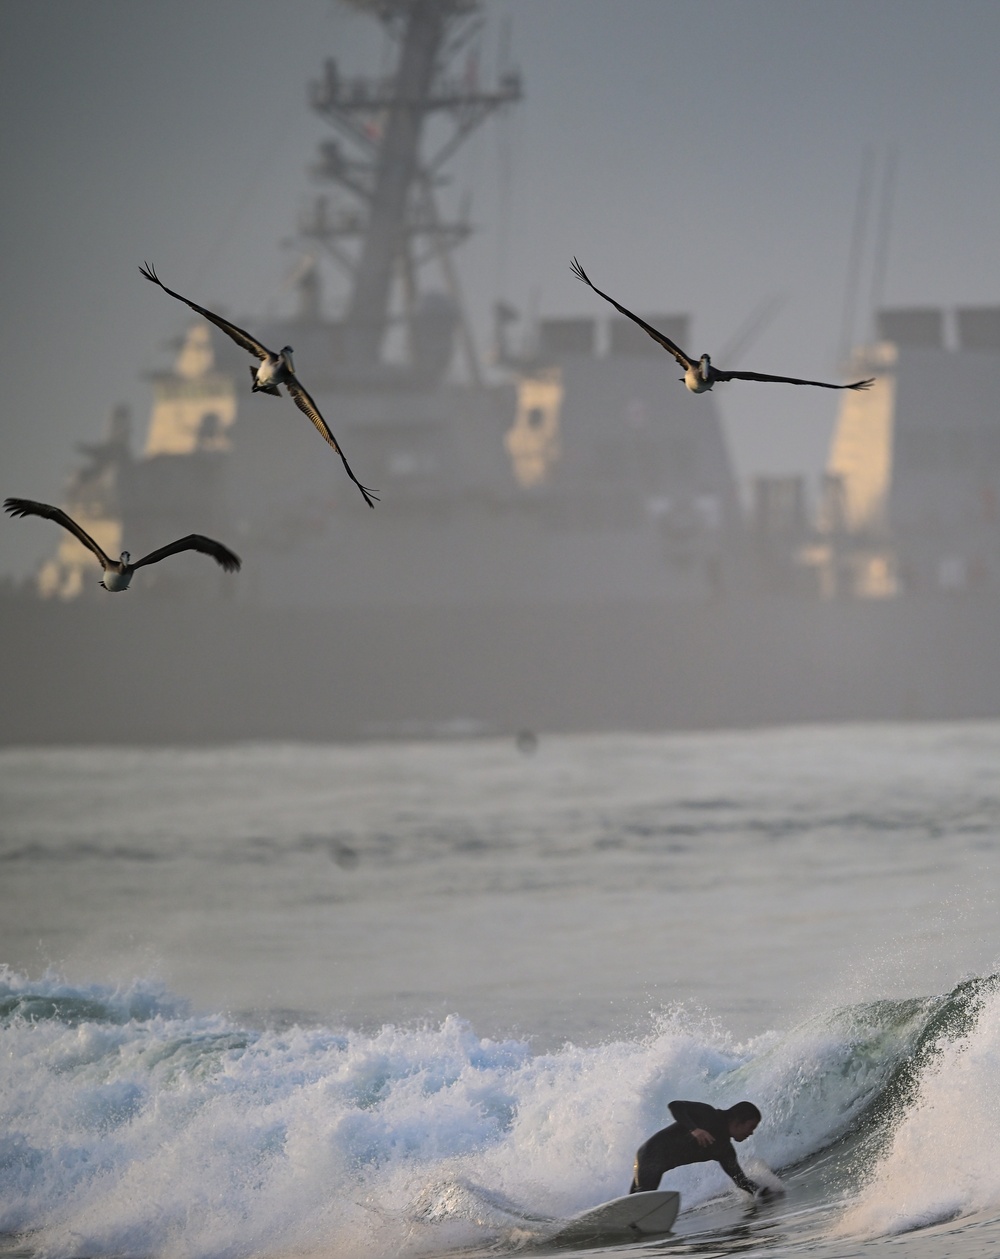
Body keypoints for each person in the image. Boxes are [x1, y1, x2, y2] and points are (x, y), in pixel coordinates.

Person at [629, 1099, 773, 1198]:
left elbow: (741, 1181)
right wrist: (694, 1129)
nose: (751, 1132)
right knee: (641, 1202)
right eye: (751, 1127)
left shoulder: (724, 1151)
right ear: (738, 1121)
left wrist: (764, 1192)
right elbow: (675, 1105)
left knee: (636, 1204)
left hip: (658, 1166)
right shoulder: (709, 1115)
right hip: (650, 1154)